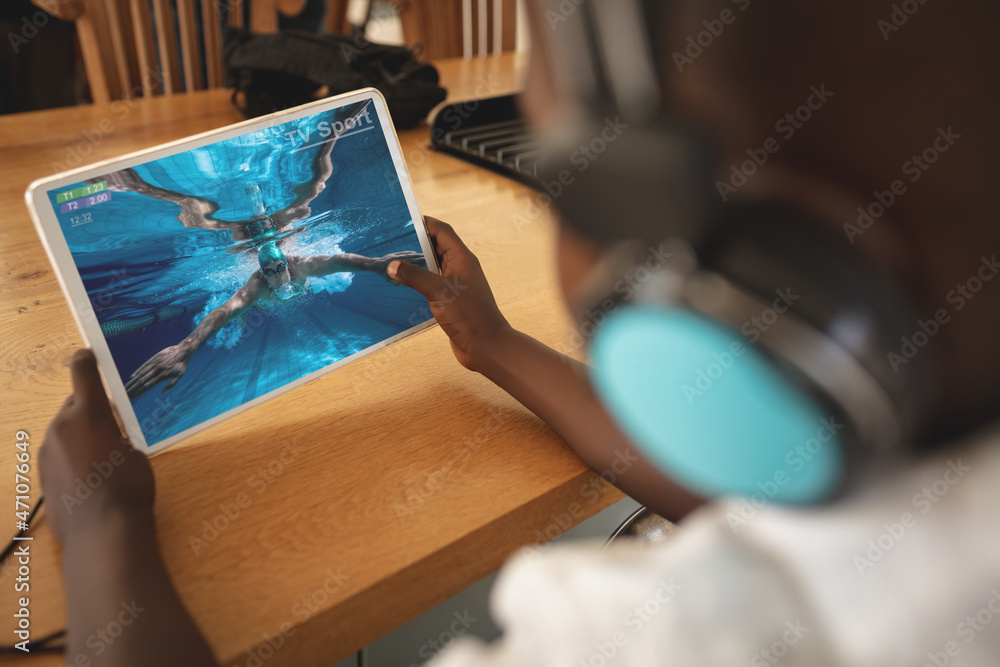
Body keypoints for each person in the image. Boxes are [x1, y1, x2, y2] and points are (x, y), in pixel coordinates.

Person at [37, 1, 1000, 666]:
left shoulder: (673, 635)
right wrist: (493, 343)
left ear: (765, 260)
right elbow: (748, 501)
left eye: (563, 175)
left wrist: (102, 527)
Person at [124, 242, 424, 399]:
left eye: (280, 268)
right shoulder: (257, 286)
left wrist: (378, 265)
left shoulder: (304, 266)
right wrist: (187, 347)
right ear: (261, 272)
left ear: (287, 262)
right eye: (269, 272)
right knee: (238, 316)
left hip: (302, 283)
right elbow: (224, 311)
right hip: (260, 306)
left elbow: (341, 262)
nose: (276, 276)